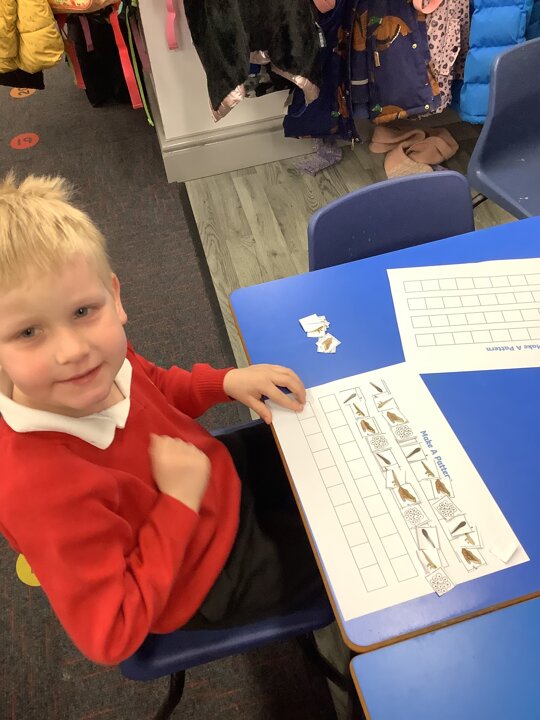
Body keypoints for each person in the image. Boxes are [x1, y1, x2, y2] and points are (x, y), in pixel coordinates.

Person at [0, 172, 325, 666]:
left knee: (327, 444)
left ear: (114, 296)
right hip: (202, 577)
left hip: (214, 482)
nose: (72, 350)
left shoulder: (101, 362)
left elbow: (153, 384)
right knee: (358, 555)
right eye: (28, 333)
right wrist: (178, 502)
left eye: (83, 311)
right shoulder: (35, 488)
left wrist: (224, 382)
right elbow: (111, 636)